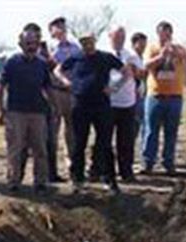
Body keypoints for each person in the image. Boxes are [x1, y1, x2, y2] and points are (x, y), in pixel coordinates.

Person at [57, 34, 123, 192]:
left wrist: (114, 86)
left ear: (94, 42)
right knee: (79, 143)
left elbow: (125, 71)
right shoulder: (76, 57)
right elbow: (58, 69)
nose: (87, 45)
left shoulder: (106, 57)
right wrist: (66, 81)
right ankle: (77, 179)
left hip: (101, 105)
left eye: (90, 42)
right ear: (81, 44)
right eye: (84, 43)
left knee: (105, 143)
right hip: (80, 105)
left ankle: (109, 179)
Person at [0, 30, 53, 193]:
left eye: (34, 43)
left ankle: (40, 182)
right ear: (21, 44)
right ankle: (13, 181)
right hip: (16, 112)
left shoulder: (42, 64)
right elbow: (0, 88)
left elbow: (48, 87)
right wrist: (0, 110)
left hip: (38, 112)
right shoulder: (12, 63)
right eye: (28, 43)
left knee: (40, 149)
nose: (31, 46)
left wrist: (54, 107)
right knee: (16, 148)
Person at [142, 21, 186, 177]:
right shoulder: (152, 48)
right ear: (158, 34)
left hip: (175, 97)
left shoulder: (178, 48)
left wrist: (176, 53)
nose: (165, 35)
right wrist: (161, 56)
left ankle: (169, 163)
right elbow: (146, 65)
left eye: (168, 32)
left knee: (171, 131)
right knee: (151, 131)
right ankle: (148, 163)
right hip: (155, 96)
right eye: (162, 33)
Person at [108, 27, 144, 184]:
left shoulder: (131, 56)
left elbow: (142, 74)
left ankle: (126, 172)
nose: (119, 40)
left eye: (122, 37)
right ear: (110, 37)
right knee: (105, 140)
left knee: (126, 140)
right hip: (108, 103)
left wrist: (133, 69)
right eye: (116, 37)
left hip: (127, 103)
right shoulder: (103, 55)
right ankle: (106, 172)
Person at [48, 17, 81, 183]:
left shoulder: (75, 48)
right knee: (52, 130)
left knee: (72, 130)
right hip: (54, 92)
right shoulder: (48, 48)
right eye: (57, 27)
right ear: (51, 31)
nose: (61, 29)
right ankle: (51, 170)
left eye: (63, 26)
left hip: (71, 92)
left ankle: (72, 165)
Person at [130, 32, 148, 140]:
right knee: (133, 126)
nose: (143, 47)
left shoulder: (145, 58)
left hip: (144, 95)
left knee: (146, 126)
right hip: (133, 96)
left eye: (144, 45)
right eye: (140, 45)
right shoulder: (130, 58)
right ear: (133, 44)